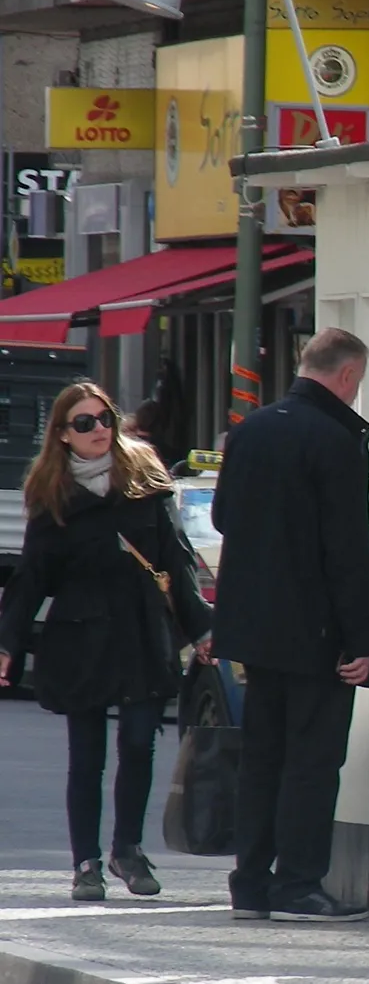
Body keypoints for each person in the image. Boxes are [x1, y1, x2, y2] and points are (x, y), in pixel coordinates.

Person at [0, 382, 211, 901]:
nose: (98, 430)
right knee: (86, 756)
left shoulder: (143, 479)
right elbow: (32, 577)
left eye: (104, 419)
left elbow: (175, 558)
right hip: (81, 636)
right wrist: (8, 641)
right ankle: (85, 862)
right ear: (64, 435)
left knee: (139, 744)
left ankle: (128, 850)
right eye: (84, 423)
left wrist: (201, 627)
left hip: (141, 630)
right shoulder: (51, 495)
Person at [211, 328, 369, 924]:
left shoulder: (248, 431)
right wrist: (363, 641)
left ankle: (249, 886)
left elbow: (223, 516)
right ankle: (299, 885)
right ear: (345, 376)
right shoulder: (336, 439)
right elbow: (346, 549)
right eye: (357, 383)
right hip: (317, 633)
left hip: (255, 631)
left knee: (261, 758)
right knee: (312, 762)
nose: (356, 394)